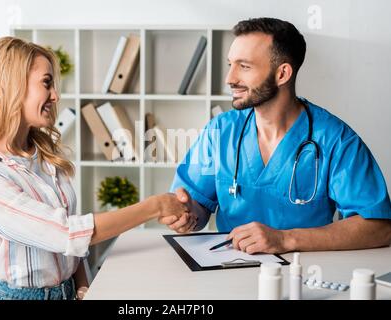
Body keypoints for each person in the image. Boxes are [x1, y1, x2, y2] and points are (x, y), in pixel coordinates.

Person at [0, 37, 189, 300]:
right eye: (46, 83)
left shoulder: (43, 155)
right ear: (10, 86)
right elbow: (66, 233)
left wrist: (82, 284)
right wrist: (155, 206)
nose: (55, 95)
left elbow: (71, 236)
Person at [160, 17, 391, 253]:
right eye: (230, 64)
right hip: (228, 266)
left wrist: (284, 239)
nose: (230, 79)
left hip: (304, 274)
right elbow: (197, 207)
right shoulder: (220, 131)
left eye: (244, 66)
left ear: (282, 74)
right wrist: (189, 215)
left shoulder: (336, 140)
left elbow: (378, 227)